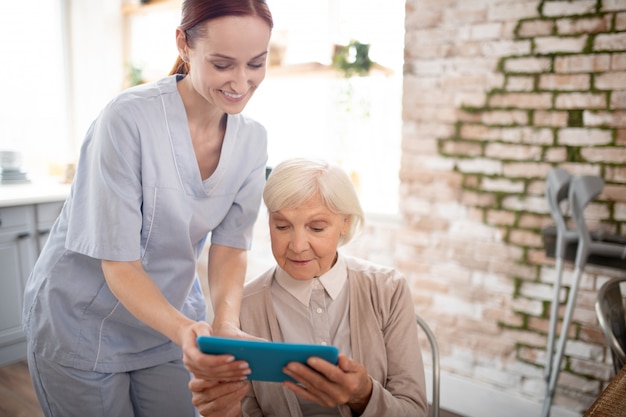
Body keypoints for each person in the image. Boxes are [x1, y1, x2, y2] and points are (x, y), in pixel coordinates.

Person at [22, 1, 272, 416]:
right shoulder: (128, 119)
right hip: (82, 324)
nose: (241, 82)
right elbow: (119, 264)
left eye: (256, 64)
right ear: (184, 45)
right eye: (223, 64)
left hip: (168, 326)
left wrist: (225, 324)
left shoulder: (253, 141)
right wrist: (186, 330)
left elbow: (230, 247)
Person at [189, 158, 429, 417]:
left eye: (316, 227)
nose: (298, 245)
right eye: (282, 226)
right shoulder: (242, 305)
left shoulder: (388, 290)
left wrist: (363, 394)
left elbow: (413, 410)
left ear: (345, 223)